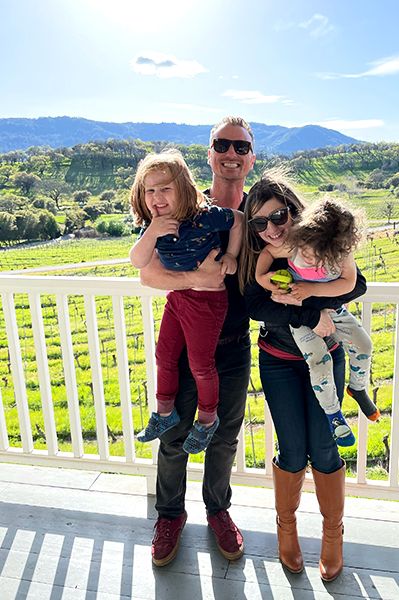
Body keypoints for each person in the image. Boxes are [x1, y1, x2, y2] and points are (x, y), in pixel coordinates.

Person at [239, 170, 367, 581]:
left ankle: (333, 536)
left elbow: (356, 284)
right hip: (278, 361)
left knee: (326, 449)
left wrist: (312, 296)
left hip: (327, 359)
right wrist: (312, 312)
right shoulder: (263, 258)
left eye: (278, 217)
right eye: (259, 223)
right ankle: (286, 531)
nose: (272, 229)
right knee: (292, 450)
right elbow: (258, 306)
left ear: (295, 211)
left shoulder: (317, 246)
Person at [138, 117, 255, 566]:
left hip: (235, 340)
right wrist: (198, 277)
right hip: (190, 338)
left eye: (240, 147)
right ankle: (169, 515)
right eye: (222, 145)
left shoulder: (264, 209)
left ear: (250, 157)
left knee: (224, 434)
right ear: (209, 154)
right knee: (174, 431)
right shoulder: (185, 206)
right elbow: (147, 273)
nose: (231, 153)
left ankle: (218, 511)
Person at [129, 150, 243, 453]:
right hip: (179, 298)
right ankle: (164, 413)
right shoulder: (154, 225)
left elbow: (239, 220)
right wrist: (152, 232)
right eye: (149, 190)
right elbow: (138, 261)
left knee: (200, 365)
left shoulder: (204, 217)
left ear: (184, 188)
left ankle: (207, 419)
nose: (157, 197)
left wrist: (231, 254)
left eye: (165, 188)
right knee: (163, 355)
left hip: (207, 303)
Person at [254, 196, 379, 448]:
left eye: (320, 256)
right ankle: (334, 415)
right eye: (309, 252)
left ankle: (357, 388)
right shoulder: (295, 244)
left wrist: (311, 290)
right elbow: (267, 253)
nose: (311, 259)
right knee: (319, 361)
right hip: (300, 320)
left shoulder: (342, 253)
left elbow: (350, 283)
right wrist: (263, 278)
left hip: (334, 309)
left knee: (364, 345)